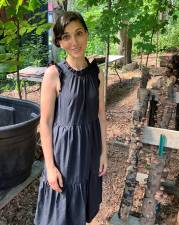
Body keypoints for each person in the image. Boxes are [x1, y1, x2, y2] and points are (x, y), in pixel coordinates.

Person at [34, 11, 108, 225]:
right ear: (59, 41)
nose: (74, 42)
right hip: (65, 153)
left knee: (81, 210)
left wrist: (105, 152)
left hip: (91, 149)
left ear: (86, 34)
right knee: (60, 214)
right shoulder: (54, 74)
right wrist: (50, 166)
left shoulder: (97, 73)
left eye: (79, 33)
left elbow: (101, 114)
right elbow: (45, 124)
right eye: (66, 36)